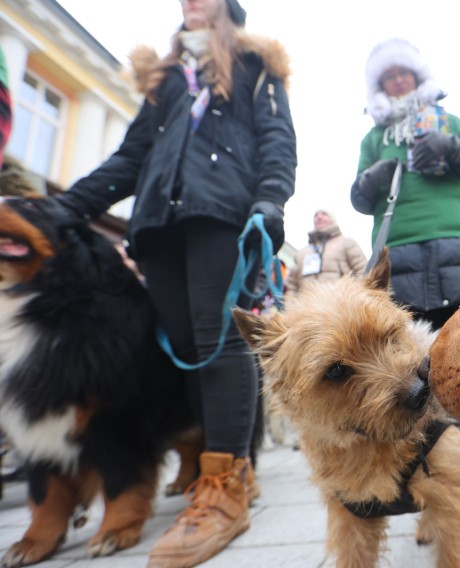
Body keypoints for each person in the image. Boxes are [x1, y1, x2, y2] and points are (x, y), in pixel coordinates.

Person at [37, 1, 296, 566]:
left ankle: (227, 483)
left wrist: (270, 198)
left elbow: (276, 139)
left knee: (221, 340)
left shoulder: (256, 67)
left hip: (222, 216)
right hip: (156, 225)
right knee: (184, 350)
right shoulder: (165, 80)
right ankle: (210, 462)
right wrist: (61, 210)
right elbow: (129, 159)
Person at [351, 37, 460, 330]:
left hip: (457, 240)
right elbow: (359, 200)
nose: (399, 80)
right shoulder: (374, 138)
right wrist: (373, 176)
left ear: (417, 75)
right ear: (380, 85)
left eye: (404, 72)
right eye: (389, 76)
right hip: (397, 249)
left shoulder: (449, 122)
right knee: (413, 344)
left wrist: (453, 147)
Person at [286, 209, 367, 299]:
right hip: (305, 308)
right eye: (316, 215)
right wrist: (291, 306)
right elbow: (292, 285)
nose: (319, 217)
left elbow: (363, 271)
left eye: (324, 214)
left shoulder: (347, 243)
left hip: (340, 305)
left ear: (332, 219)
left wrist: (358, 299)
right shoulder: (301, 253)